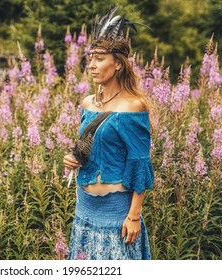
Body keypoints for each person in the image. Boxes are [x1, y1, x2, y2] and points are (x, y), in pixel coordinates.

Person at [63, 5, 154, 260]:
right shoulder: (88, 103)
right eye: (90, 58)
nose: (91, 65)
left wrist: (134, 216)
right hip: (85, 209)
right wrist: (73, 160)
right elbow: (92, 148)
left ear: (118, 65)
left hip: (117, 214)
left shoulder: (133, 106)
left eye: (99, 59)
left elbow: (140, 163)